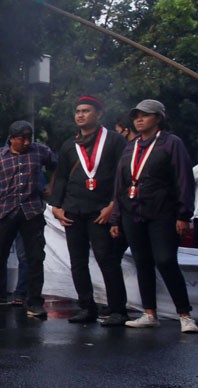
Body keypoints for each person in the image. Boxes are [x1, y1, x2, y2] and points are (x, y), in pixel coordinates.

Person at [109, 100, 198, 333]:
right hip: (132, 213)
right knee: (142, 261)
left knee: (166, 260)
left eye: (145, 115)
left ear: (158, 118)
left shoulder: (171, 143)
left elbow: (184, 180)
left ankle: (185, 315)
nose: (139, 119)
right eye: (136, 115)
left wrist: (183, 214)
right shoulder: (131, 146)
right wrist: (116, 218)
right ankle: (149, 313)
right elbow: (120, 183)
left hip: (163, 213)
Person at [50, 96, 129, 326]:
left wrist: (113, 206)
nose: (80, 115)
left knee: (107, 259)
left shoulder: (114, 141)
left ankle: (117, 310)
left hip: (101, 210)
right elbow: (62, 177)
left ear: (99, 114)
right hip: (73, 210)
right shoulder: (69, 145)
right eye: (77, 111)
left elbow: (123, 175)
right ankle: (86, 307)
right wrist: (56, 206)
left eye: (86, 110)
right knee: (78, 261)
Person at [0, 120, 57, 319]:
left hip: (32, 211)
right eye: (22, 138)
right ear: (11, 139)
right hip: (6, 210)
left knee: (35, 258)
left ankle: (35, 303)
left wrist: (51, 186)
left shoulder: (40, 151)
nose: (27, 142)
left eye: (29, 138)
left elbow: (56, 165)